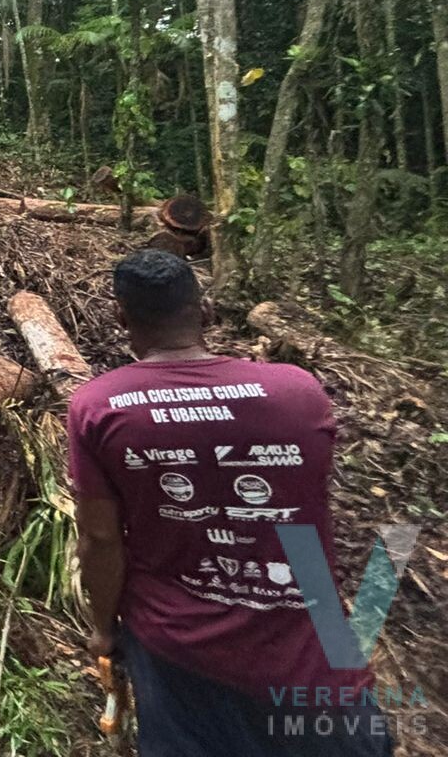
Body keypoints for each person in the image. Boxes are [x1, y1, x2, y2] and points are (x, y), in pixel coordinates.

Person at [68, 249, 391, 755]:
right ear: (207, 312)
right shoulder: (297, 391)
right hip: (310, 646)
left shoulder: (98, 406)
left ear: (120, 317)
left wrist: (104, 631)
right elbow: (306, 499)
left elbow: (101, 538)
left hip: (176, 648)